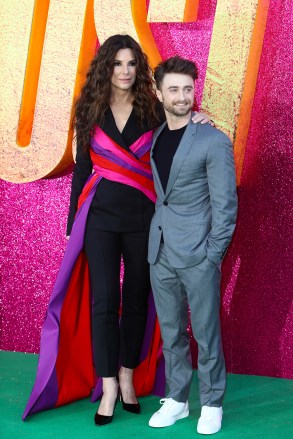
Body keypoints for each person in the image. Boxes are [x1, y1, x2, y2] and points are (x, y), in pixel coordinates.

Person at [23, 36, 211, 424]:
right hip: (100, 219)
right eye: (117, 64)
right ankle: (108, 385)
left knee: (138, 301)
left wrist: (197, 119)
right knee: (104, 303)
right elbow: (81, 168)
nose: (125, 71)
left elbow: (179, 130)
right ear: (106, 67)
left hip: (145, 217)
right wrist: (72, 225)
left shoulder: (152, 107)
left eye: (131, 64)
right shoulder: (88, 109)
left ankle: (128, 375)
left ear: (138, 68)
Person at [148, 56, 238, 435]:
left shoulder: (213, 140)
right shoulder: (155, 137)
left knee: (205, 332)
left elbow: (225, 204)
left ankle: (213, 402)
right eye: (174, 89)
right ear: (159, 93)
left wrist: (212, 253)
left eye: (188, 89)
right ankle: (179, 400)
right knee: (171, 332)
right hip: (161, 250)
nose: (183, 96)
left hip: (198, 253)